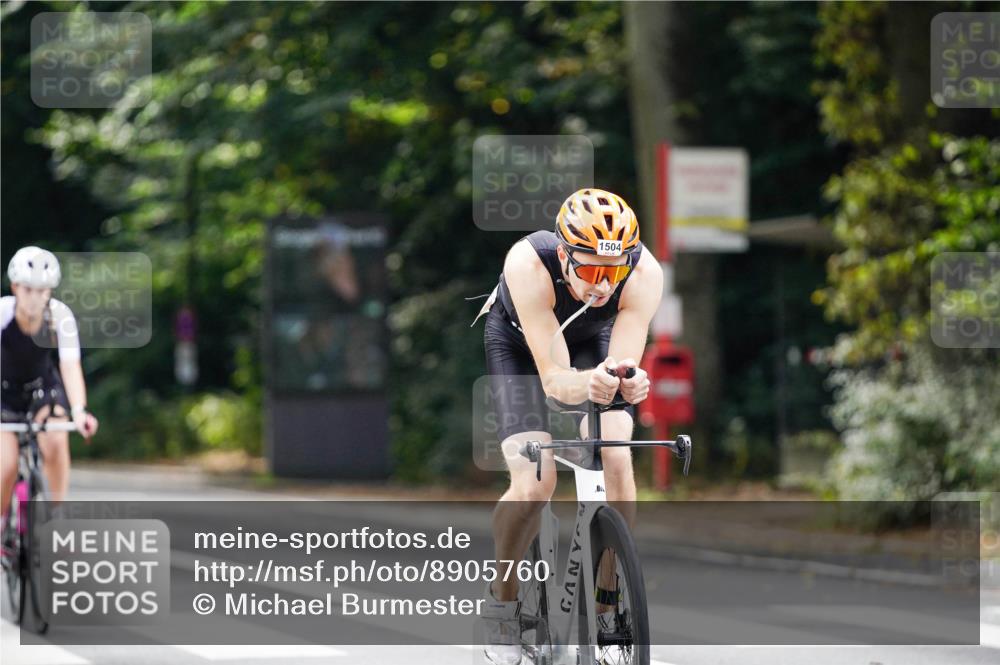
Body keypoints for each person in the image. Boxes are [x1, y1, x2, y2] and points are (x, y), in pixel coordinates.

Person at [476, 189, 662, 664]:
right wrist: (590, 384)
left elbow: (621, 363)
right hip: (521, 347)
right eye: (591, 270)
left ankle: (608, 603)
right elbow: (556, 382)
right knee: (535, 481)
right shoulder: (527, 264)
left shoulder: (644, 273)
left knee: (616, 454)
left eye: (612, 271)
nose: (603, 285)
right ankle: (502, 601)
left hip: (591, 341)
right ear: (563, 254)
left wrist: (628, 381)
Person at [1, 247, 98, 525]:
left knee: (56, 439)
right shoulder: (2, 314)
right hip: (3, 394)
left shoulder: (59, 316)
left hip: (42, 389)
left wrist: (79, 411)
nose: (35, 297)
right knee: (5, 465)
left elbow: (69, 365)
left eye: (43, 290)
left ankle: (58, 516)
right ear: (15, 287)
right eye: (28, 289)